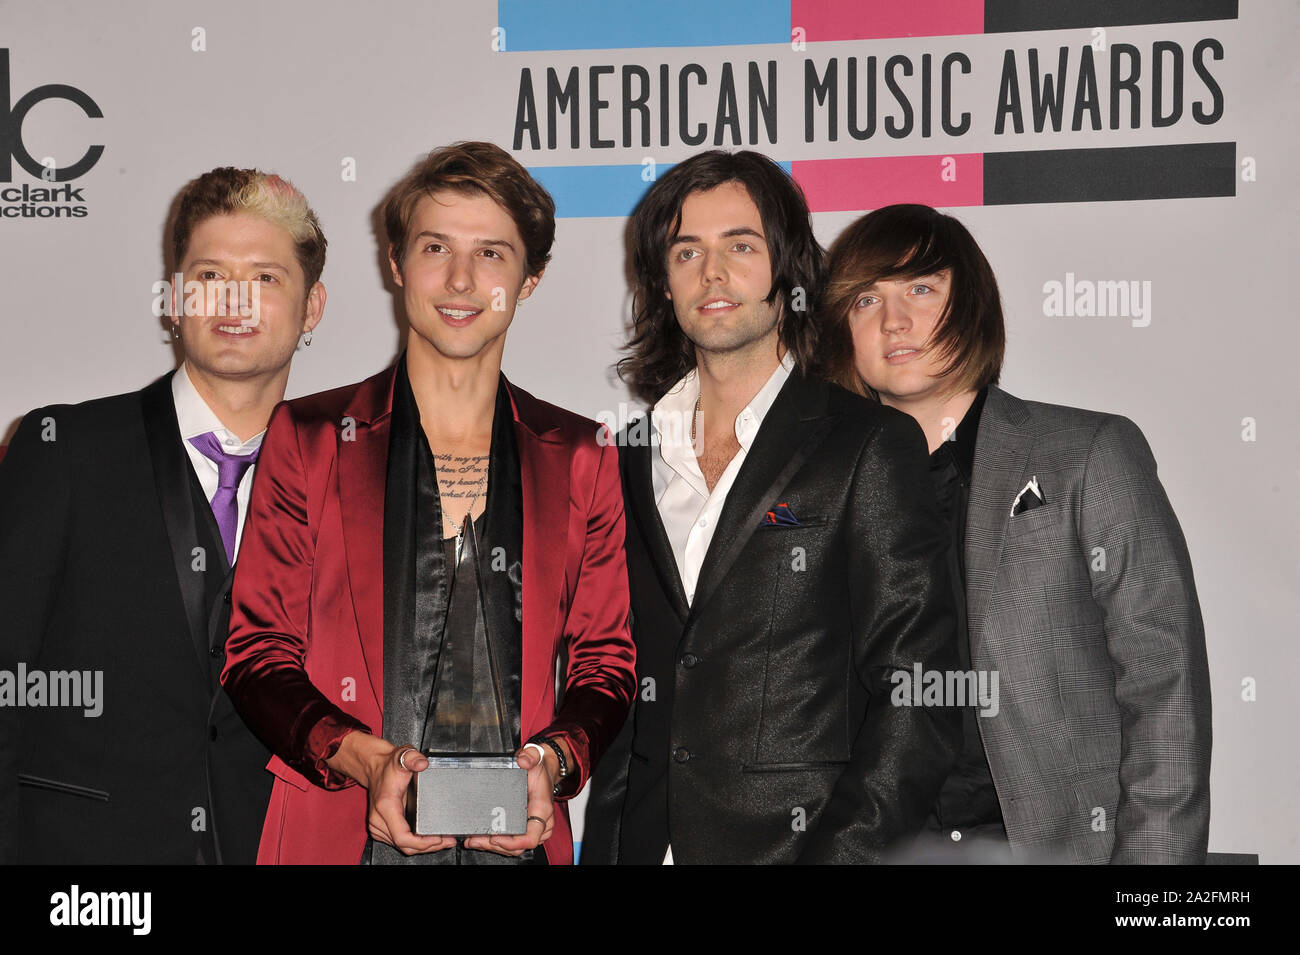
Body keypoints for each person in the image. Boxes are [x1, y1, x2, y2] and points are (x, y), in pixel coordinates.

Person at [221, 141, 636, 865]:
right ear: (396, 263)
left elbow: (606, 662)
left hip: (521, 844)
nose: (460, 279)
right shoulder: (312, 436)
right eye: (436, 245)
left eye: (493, 255)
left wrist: (555, 765)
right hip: (338, 834)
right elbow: (257, 655)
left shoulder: (579, 453)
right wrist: (359, 757)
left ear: (530, 279)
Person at [581, 151, 961, 865]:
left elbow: (918, 695)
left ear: (787, 271)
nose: (712, 272)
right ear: (662, 281)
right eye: (686, 249)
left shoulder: (867, 445)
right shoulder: (628, 456)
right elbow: (629, 693)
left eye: (741, 246)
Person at [822, 203, 1211, 863]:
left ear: (970, 304)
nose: (895, 320)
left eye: (921, 288)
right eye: (866, 299)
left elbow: (1163, 683)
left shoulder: (1087, 453)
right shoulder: (819, 488)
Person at [0, 167, 327, 863]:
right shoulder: (64, 450)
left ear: (313, 306)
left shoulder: (345, 478)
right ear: (174, 300)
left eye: (266, 278)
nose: (235, 299)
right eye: (210, 274)